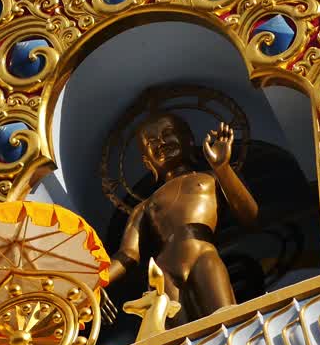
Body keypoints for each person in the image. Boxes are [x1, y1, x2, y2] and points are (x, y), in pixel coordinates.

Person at [105, 113, 258, 324]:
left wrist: (222, 167)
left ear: (189, 140)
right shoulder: (145, 205)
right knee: (178, 335)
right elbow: (127, 254)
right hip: (163, 270)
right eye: (152, 142)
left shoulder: (211, 177)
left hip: (203, 254)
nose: (161, 143)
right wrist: (96, 282)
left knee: (226, 319)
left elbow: (250, 216)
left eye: (168, 134)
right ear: (147, 162)